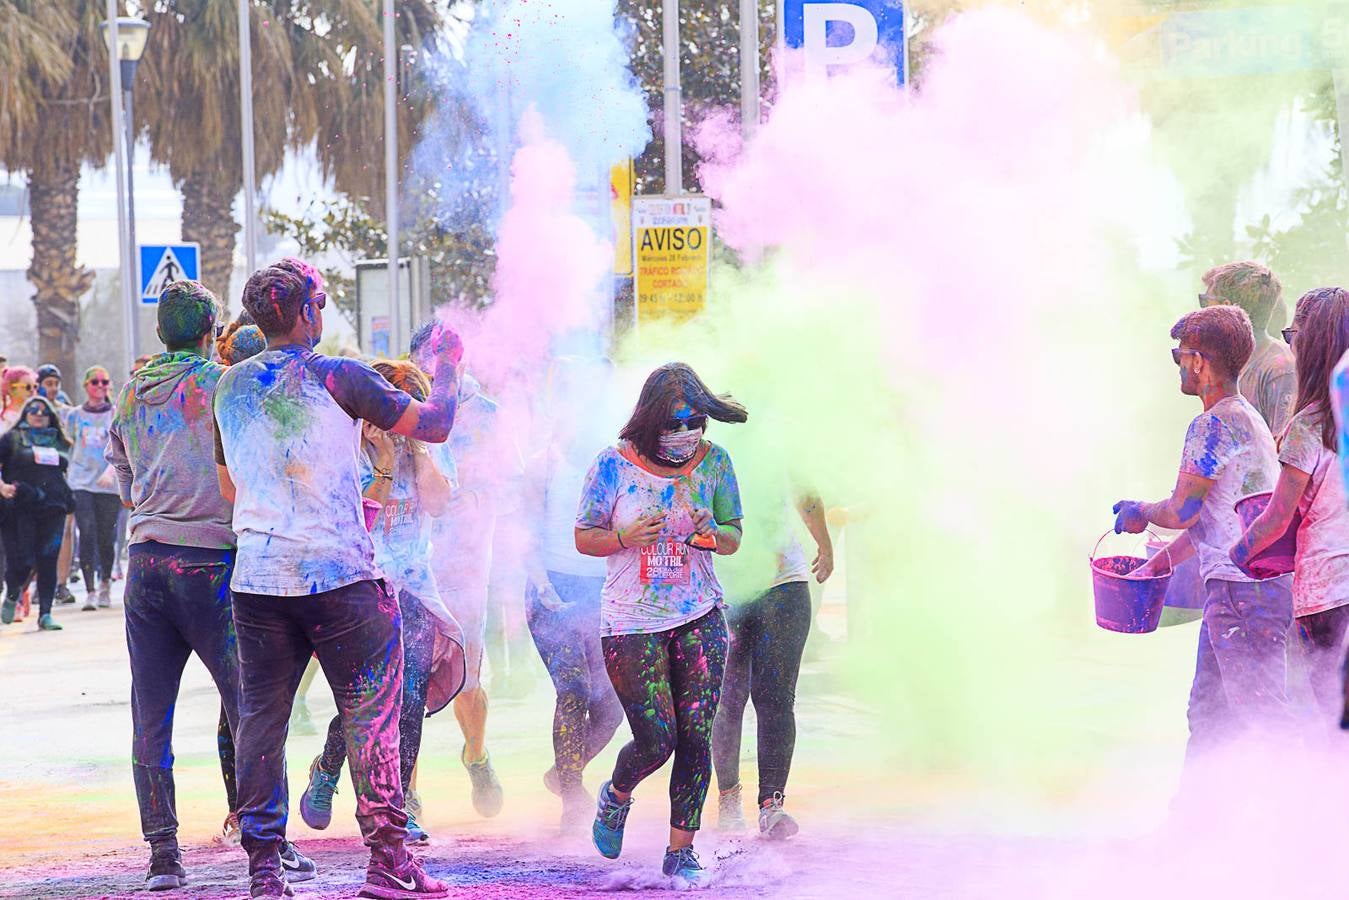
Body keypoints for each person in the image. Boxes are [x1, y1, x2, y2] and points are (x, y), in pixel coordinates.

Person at [214, 259, 461, 899]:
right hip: (341, 577)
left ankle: (264, 872)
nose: (321, 311)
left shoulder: (229, 386)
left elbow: (232, 480)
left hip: (260, 579)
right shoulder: (338, 376)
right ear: (304, 312)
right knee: (371, 719)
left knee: (262, 721)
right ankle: (387, 863)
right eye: (318, 301)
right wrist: (450, 366)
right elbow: (433, 424)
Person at [105, 280, 315, 890]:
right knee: (254, 709)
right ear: (208, 331)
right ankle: (268, 849)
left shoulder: (129, 393)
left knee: (151, 713)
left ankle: (164, 856)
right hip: (213, 566)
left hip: (146, 565)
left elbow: (122, 481)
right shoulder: (222, 384)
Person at [576, 362, 747, 887]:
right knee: (657, 739)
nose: (685, 434)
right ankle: (617, 794)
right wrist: (624, 536)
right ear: (650, 421)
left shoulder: (715, 463)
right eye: (674, 423)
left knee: (697, 734)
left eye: (694, 421)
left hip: (700, 615)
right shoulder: (612, 465)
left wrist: (708, 532)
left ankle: (681, 850)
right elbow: (584, 537)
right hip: (631, 624)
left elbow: (734, 537)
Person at [1117, 305, 1293, 766]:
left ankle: (1306, 812)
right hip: (1251, 588)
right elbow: (1219, 519)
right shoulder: (1248, 418)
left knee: (1259, 715)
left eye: (1180, 354)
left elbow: (1182, 509)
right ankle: (1198, 826)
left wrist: (1140, 513)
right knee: (1211, 713)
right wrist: (1158, 563)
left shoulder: (1210, 424)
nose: (1179, 363)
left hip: (1240, 593)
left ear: (1199, 361)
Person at [300, 359, 464, 846]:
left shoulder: (428, 447)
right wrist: (381, 461)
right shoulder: (346, 446)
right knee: (367, 699)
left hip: (412, 587)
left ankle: (398, 805)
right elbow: (354, 524)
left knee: (409, 694)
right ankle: (329, 765)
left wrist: (415, 449)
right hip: (362, 584)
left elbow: (438, 503)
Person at [1231, 287, 1349, 733]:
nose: (1290, 345)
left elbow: (1278, 516)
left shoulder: (1308, 426)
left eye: (1293, 335)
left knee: (1326, 718)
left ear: (1313, 343)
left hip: (1326, 595)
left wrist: (1239, 553)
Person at [410, 326, 511, 820]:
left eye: (443, 368)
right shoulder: (401, 405)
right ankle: (404, 789)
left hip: (467, 567)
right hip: (409, 565)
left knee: (467, 679)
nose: (435, 378)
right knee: (407, 682)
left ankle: (476, 753)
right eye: (427, 369)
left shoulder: (487, 415)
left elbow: (504, 488)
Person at [523, 357, 624, 831]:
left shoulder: (617, 458)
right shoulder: (544, 460)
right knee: (574, 688)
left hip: (603, 591)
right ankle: (572, 799)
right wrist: (541, 585)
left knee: (615, 701)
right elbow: (523, 532)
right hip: (552, 590)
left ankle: (566, 771)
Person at [712, 491, 833, 840]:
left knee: (776, 696)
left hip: (784, 585)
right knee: (728, 698)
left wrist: (824, 545)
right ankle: (728, 798)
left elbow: (807, 493)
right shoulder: (703, 450)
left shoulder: (775, 440)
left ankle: (771, 805)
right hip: (725, 591)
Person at [0, 396, 75, 631]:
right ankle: (13, 593)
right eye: (33, 409)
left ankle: (46, 613)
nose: (39, 414)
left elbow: (67, 468)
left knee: (48, 558)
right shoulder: (12, 438)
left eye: (44, 411)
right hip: (20, 508)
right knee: (23, 560)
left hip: (54, 506)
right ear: (25, 413)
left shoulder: (59, 440)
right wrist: (2, 487)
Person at [1200, 261, 1295, 435]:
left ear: (1226, 308)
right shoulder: (1231, 364)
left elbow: (1283, 454)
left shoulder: (1280, 370)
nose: (1201, 312)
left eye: (1205, 302)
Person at [65, 366, 121, 609]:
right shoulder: (75, 415)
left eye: (104, 382)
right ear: (86, 385)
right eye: (95, 382)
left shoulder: (114, 413)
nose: (100, 386)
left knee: (105, 537)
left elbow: (120, 447)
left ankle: (105, 583)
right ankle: (89, 590)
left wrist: (110, 473)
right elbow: (67, 445)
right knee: (86, 533)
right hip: (81, 481)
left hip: (107, 484)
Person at [1, 366, 37, 435]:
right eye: (28, 387)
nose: (32, 390)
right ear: (10, 388)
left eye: (35, 386)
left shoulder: (38, 416)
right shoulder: (4, 419)